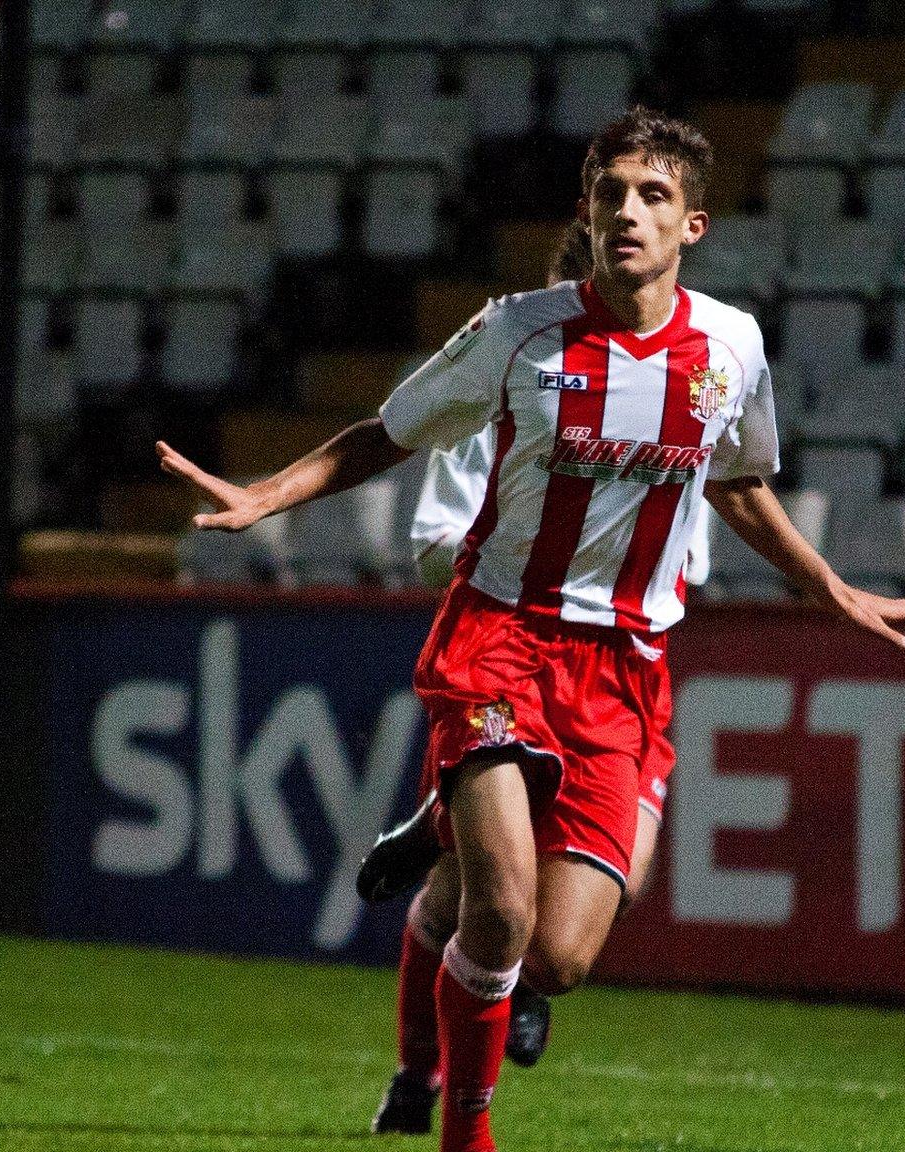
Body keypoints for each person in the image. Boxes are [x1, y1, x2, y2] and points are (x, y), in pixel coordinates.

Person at [157, 106, 905, 1152]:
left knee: (563, 957)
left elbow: (740, 482)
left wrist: (828, 587)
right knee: (501, 915)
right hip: (498, 636)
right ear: (586, 211)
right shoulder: (514, 332)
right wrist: (270, 494)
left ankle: (440, 834)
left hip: (622, 669)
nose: (628, 211)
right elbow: (382, 435)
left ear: (691, 226)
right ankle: (464, 1130)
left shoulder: (730, 349)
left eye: (652, 195)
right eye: (611, 192)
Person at [356, 221, 712, 1108]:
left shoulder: (686, 388)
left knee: (598, 903)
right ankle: (418, 1081)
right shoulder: (517, 379)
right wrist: (520, 548)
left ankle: (468, 877)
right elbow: (433, 539)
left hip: (621, 671)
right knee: (468, 903)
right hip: (511, 655)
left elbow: (693, 551)